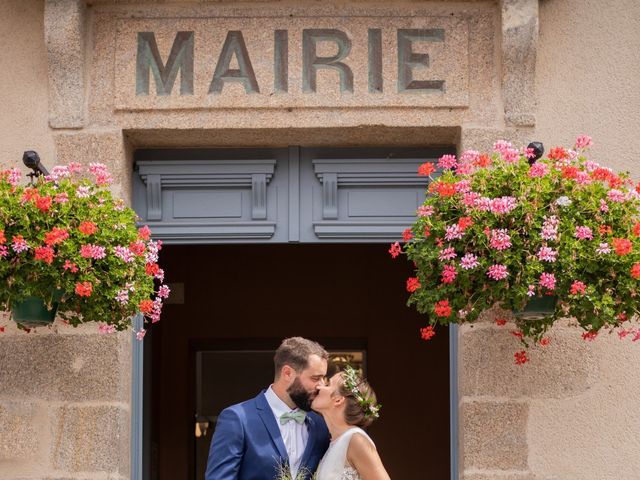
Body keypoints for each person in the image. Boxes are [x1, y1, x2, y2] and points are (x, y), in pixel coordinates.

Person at [205, 337, 331, 480]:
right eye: (315, 378)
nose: (322, 385)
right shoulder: (237, 419)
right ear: (287, 373)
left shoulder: (320, 425)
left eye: (323, 378)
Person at [312, 366, 390, 480]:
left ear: (338, 399)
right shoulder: (333, 443)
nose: (319, 386)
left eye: (328, 384)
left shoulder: (356, 439)